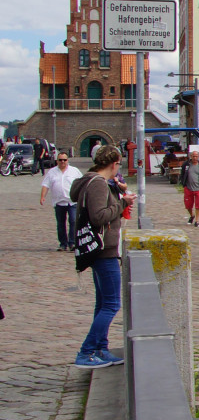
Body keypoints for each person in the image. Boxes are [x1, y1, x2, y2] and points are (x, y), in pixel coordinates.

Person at [71, 145, 136, 368]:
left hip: (99, 251)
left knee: (103, 303)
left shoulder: (91, 180)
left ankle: (101, 348)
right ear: (114, 164)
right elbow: (99, 216)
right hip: (104, 251)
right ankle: (86, 351)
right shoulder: (98, 183)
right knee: (111, 304)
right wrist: (123, 203)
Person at [39, 152, 82, 251]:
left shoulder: (74, 171)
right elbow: (45, 185)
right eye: (60, 160)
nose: (62, 162)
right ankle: (63, 244)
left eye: (64, 160)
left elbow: (82, 183)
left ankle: (72, 243)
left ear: (67, 160)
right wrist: (42, 197)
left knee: (73, 221)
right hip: (59, 202)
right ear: (57, 161)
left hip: (72, 202)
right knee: (61, 224)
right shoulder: (52, 172)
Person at [179, 152, 199, 226]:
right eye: (193, 156)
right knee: (188, 205)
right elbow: (182, 174)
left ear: (198, 157)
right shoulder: (186, 164)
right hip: (188, 188)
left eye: (196, 156)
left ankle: (197, 221)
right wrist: (183, 183)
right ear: (191, 156)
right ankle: (192, 215)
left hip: (198, 188)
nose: (195, 158)